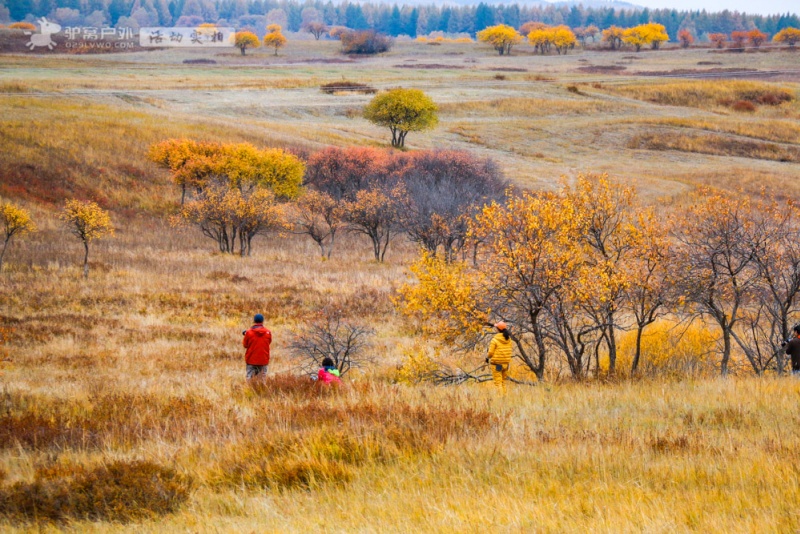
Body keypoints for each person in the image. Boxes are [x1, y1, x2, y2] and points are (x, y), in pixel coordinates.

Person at [242, 313, 272, 381]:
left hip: (251, 359)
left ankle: (249, 391)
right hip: (263, 360)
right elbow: (268, 343)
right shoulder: (268, 332)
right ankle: (262, 391)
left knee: (249, 378)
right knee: (262, 379)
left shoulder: (249, 333)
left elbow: (245, 345)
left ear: (254, 321)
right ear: (262, 321)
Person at [486, 321, 513, 394]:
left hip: (497, 365)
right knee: (503, 382)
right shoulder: (509, 339)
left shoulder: (495, 339)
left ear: (498, 329)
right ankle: (505, 397)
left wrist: (487, 358)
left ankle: (500, 399)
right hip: (506, 364)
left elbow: (490, 353)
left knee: (498, 383)